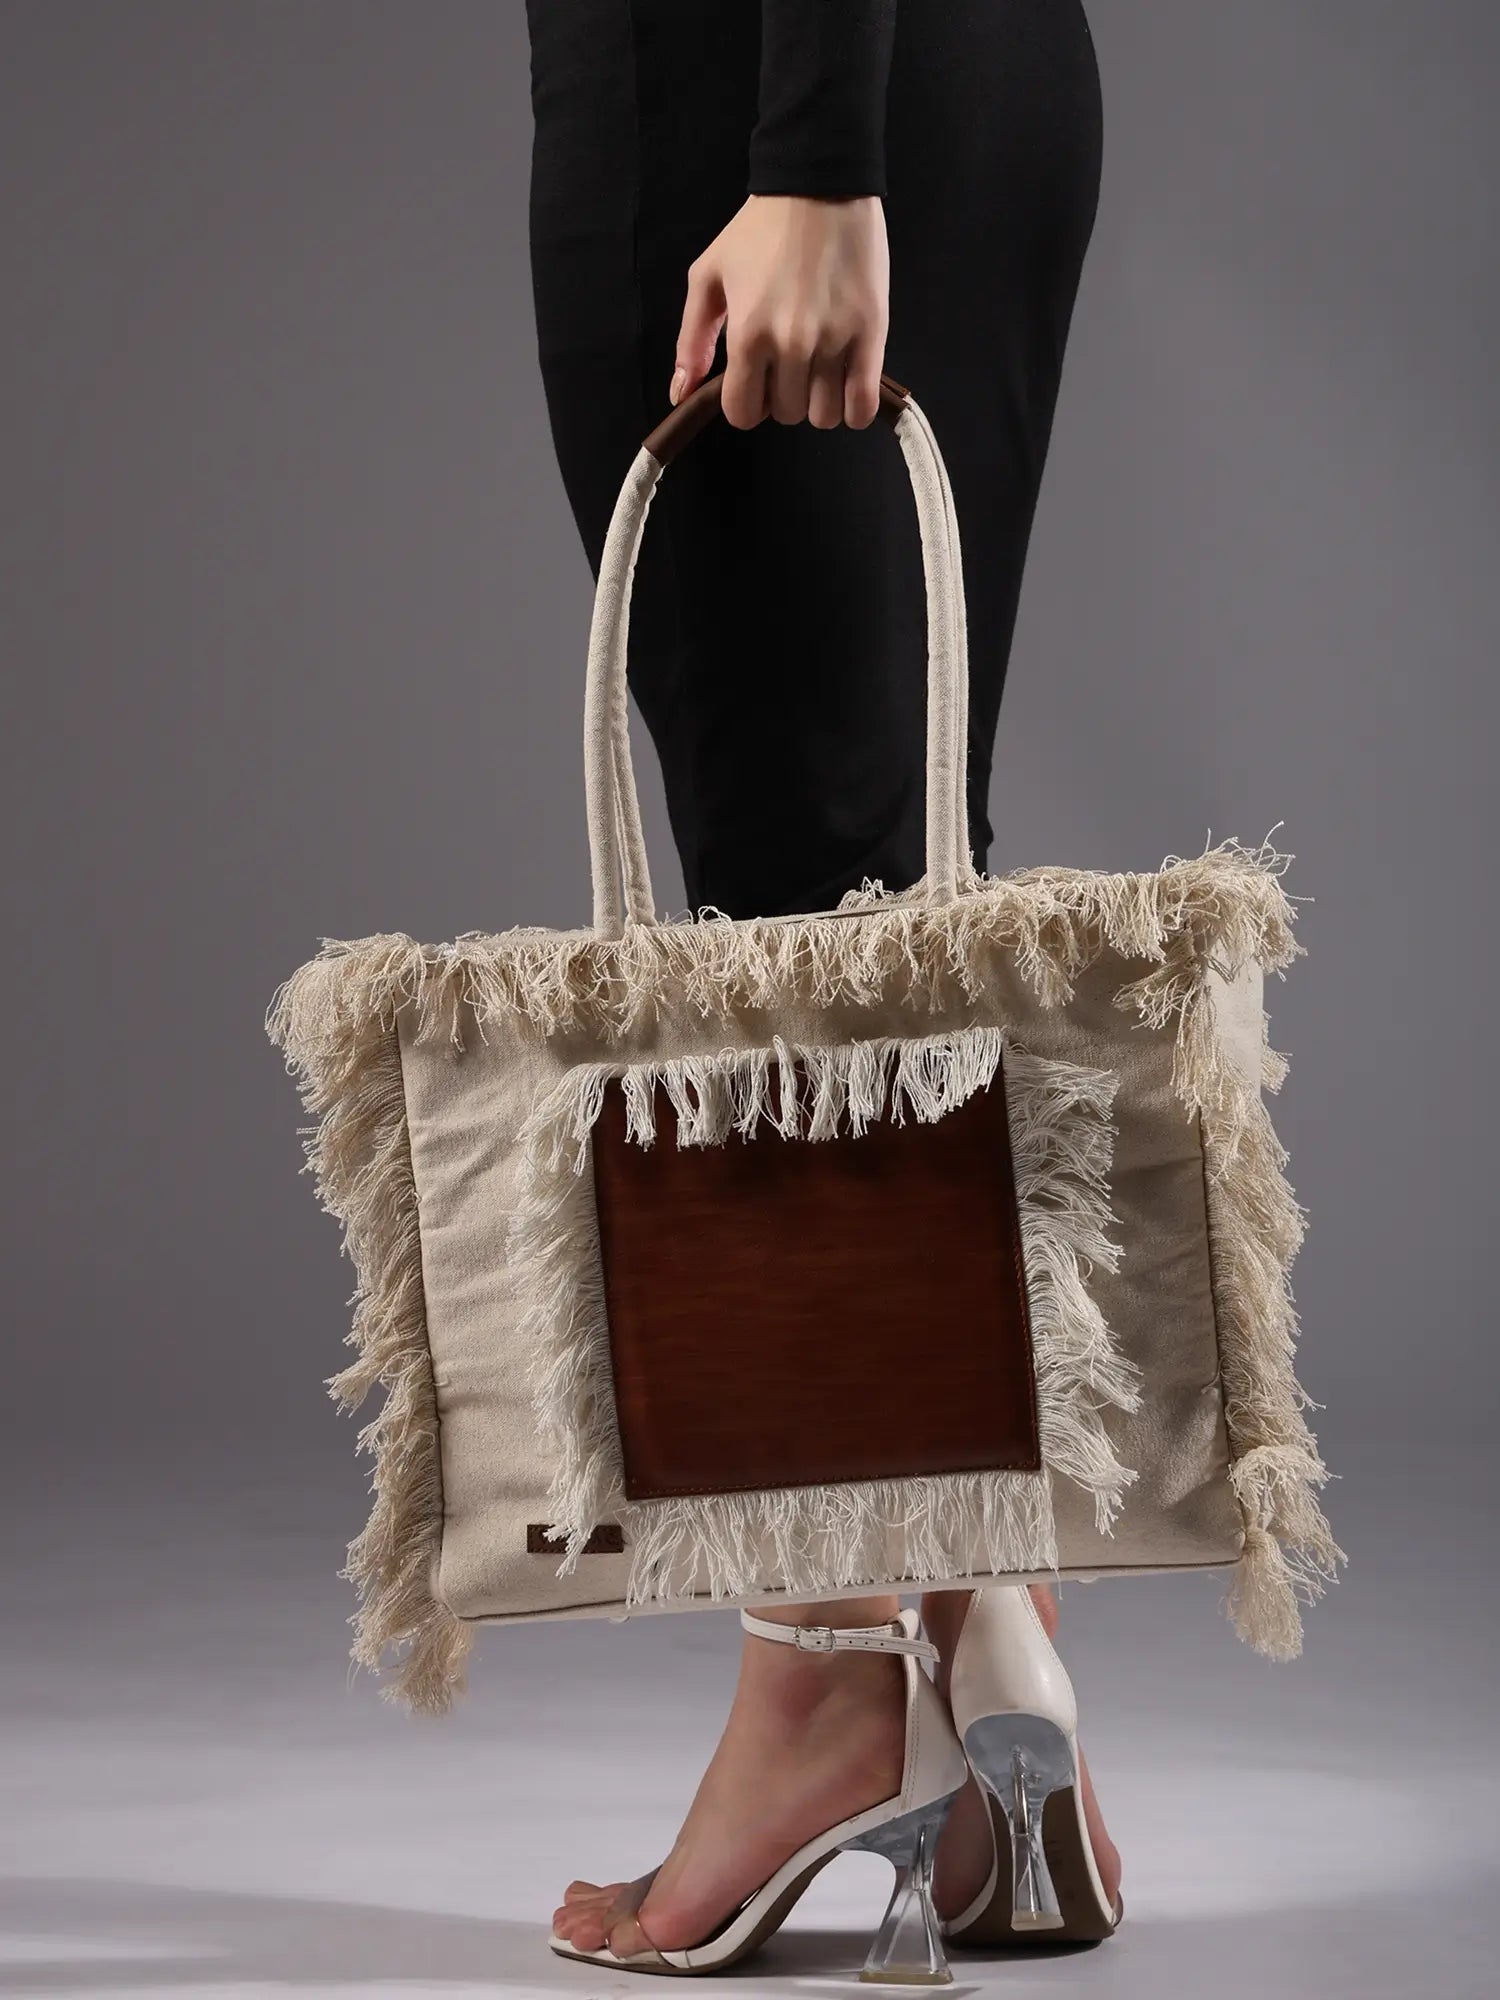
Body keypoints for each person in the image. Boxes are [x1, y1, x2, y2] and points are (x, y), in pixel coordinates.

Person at [526, 0, 1118, 1971]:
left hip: (752, 89)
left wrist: (808, 159)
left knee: (794, 954)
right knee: (889, 903)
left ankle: (822, 1685)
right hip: (956, 69)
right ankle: (987, 1617)